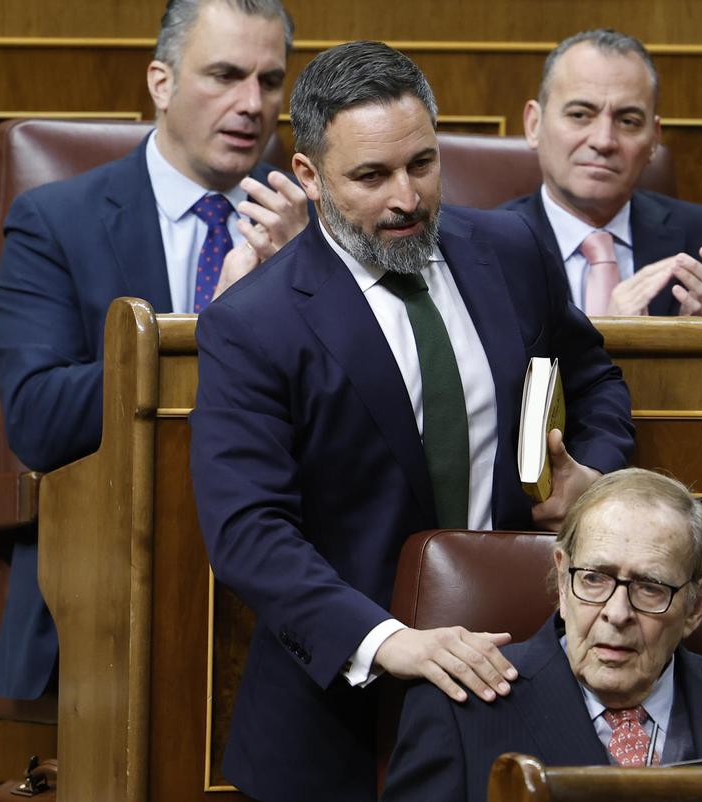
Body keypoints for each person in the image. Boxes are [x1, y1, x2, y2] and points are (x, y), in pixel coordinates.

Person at [189, 40, 635, 802]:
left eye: (422, 164)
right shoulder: (252, 326)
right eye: (370, 176)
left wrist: (593, 483)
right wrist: (389, 642)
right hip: (339, 720)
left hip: (516, 676)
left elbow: (593, 379)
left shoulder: (511, 250)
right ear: (309, 176)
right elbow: (248, 532)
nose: (406, 197)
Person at [0, 0, 307, 701]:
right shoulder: (56, 222)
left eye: (269, 80)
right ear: (160, 83)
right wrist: (205, 335)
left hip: (288, 592)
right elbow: (37, 419)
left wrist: (310, 278)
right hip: (109, 578)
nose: (251, 104)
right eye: (224, 75)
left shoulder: (319, 228)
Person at [382, 468, 702, 802]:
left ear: (696, 604)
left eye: (650, 587)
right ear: (561, 580)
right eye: (594, 578)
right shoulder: (458, 712)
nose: (617, 614)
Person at [502, 29, 702, 318]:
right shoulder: (480, 251)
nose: (603, 141)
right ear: (534, 124)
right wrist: (616, 336)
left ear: (654, 139)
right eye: (579, 115)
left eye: (628, 121)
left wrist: (698, 341)